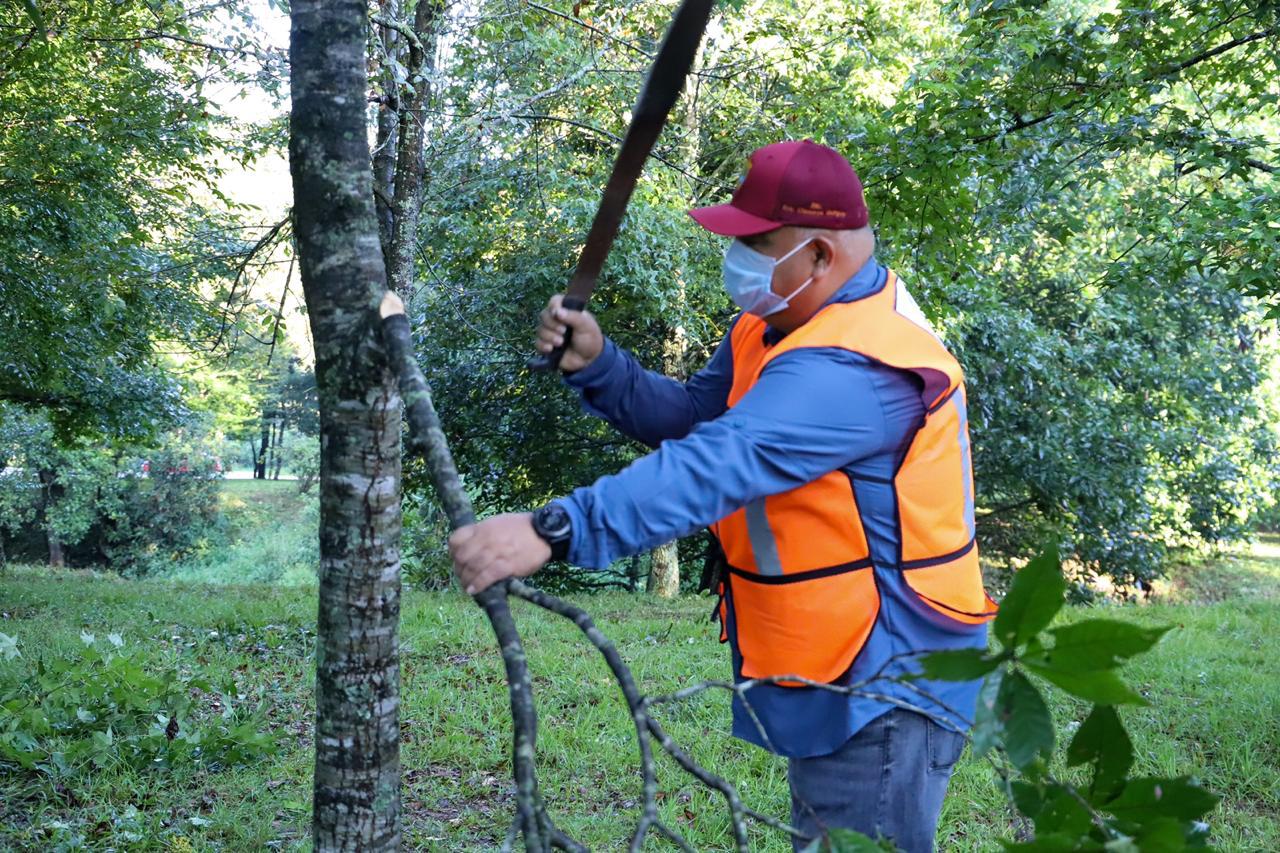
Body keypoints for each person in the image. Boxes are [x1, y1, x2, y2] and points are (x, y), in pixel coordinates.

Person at [449, 140, 997, 851]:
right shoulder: (779, 324)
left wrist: (558, 528)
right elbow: (698, 416)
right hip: (840, 658)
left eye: (756, 243)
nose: (738, 259)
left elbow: (723, 460)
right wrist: (601, 367)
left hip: (887, 679)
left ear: (822, 255)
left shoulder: (857, 369)